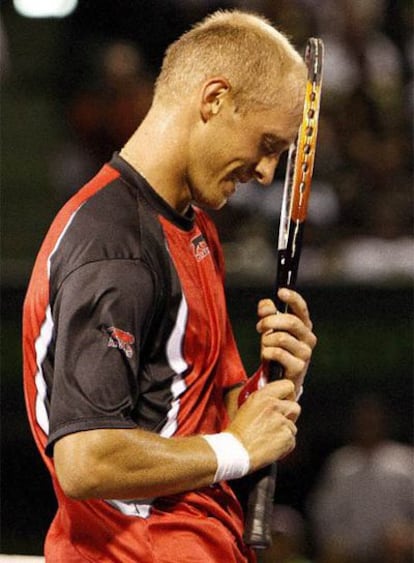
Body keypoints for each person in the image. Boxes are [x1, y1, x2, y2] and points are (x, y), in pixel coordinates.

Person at [23, 10, 317, 563]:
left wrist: (279, 383)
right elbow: (86, 459)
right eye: (268, 143)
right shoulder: (115, 248)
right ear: (214, 100)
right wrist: (235, 450)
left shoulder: (194, 223)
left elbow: (206, 413)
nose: (266, 173)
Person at [309, 394, 414, 563]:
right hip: (350, 551)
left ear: (383, 423)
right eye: (363, 422)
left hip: (395, 550)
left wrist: (408, 533)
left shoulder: (404, 460)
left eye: (372, 421)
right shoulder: (341, 463)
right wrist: (333, 541)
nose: (368, 426)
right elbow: (323, 513)